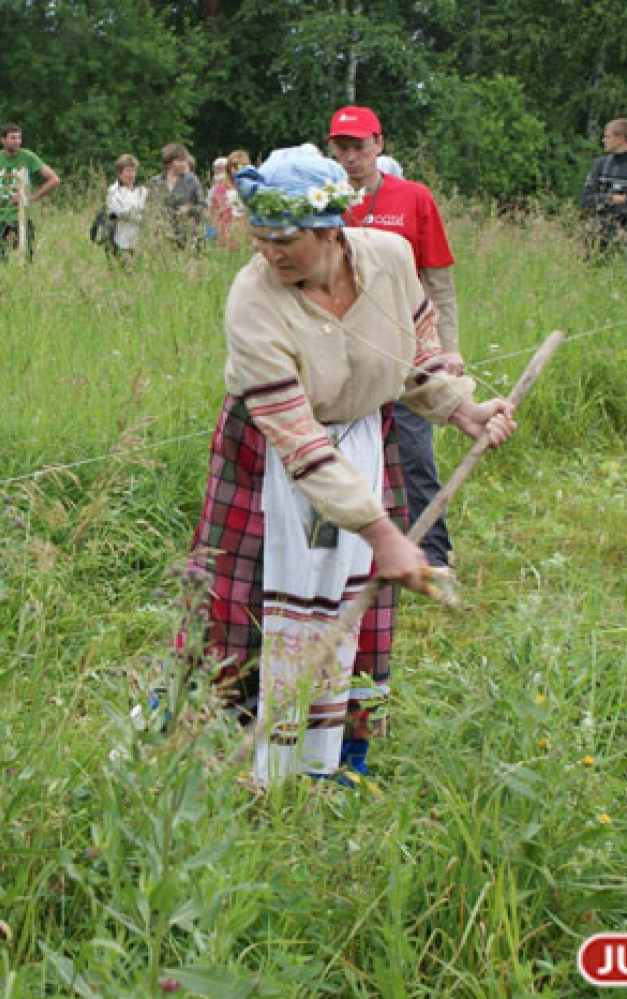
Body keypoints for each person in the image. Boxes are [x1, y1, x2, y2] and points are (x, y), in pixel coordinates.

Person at [186, 145, 516, 784]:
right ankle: (212, 755)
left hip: (365, 440)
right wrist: (384, 533)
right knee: (241, 609)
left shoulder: (389, 260)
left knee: (350, 602)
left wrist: (461, 408)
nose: (271, 254)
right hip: (270, 459)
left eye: (285, 240)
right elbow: (303, 446)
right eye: (260, 240)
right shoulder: (253, 300)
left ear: (329, 229)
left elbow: (413, 353)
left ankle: (330, 761)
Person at [328, 105, 461, 571]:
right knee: (336, 458)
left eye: (359, 147)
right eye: (341, 148)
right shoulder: (321, 201)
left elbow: (438, 279)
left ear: (379, 145)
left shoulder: (414, 198)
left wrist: (448, 349)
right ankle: (337, 561)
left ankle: (434, 556)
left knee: (415, 455)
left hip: (404, 351)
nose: (350, 158)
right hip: (340, 357)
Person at [0, 123, 60, 260]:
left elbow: (54, 179)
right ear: (3, 140)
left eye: (19, 138)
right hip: (1, 216)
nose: (17, 142)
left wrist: (31, 198)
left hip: (21, 216)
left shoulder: (27, 157)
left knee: (26, 258)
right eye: (13, 138)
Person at [579, 118, 627, 262]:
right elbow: (585, 200)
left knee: (619, 281)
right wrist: (612, 199)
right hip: (593, 235)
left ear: (620, 138)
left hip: (622, 238)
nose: (603, 140)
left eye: (607, 136)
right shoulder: (600, 164)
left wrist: (601, 201)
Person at [149, 143, 205, 250]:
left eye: (185, 160)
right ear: (169, 162)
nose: (184, 164)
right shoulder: (155, 182)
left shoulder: (192, 180)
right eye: (180, 161)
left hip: (187, 236)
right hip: (161, 237)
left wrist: (189, 210)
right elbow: (149, 208)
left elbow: (203, 207)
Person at [105, 154, 148, 261]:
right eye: (128, 171)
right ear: (120, 173)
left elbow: (148, 212)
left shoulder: (142, 191)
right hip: (120, 241)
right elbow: (117, 214)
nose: (131, 175)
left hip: (140, 241)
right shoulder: (113, 191)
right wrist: (138, 214)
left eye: (134, 171)